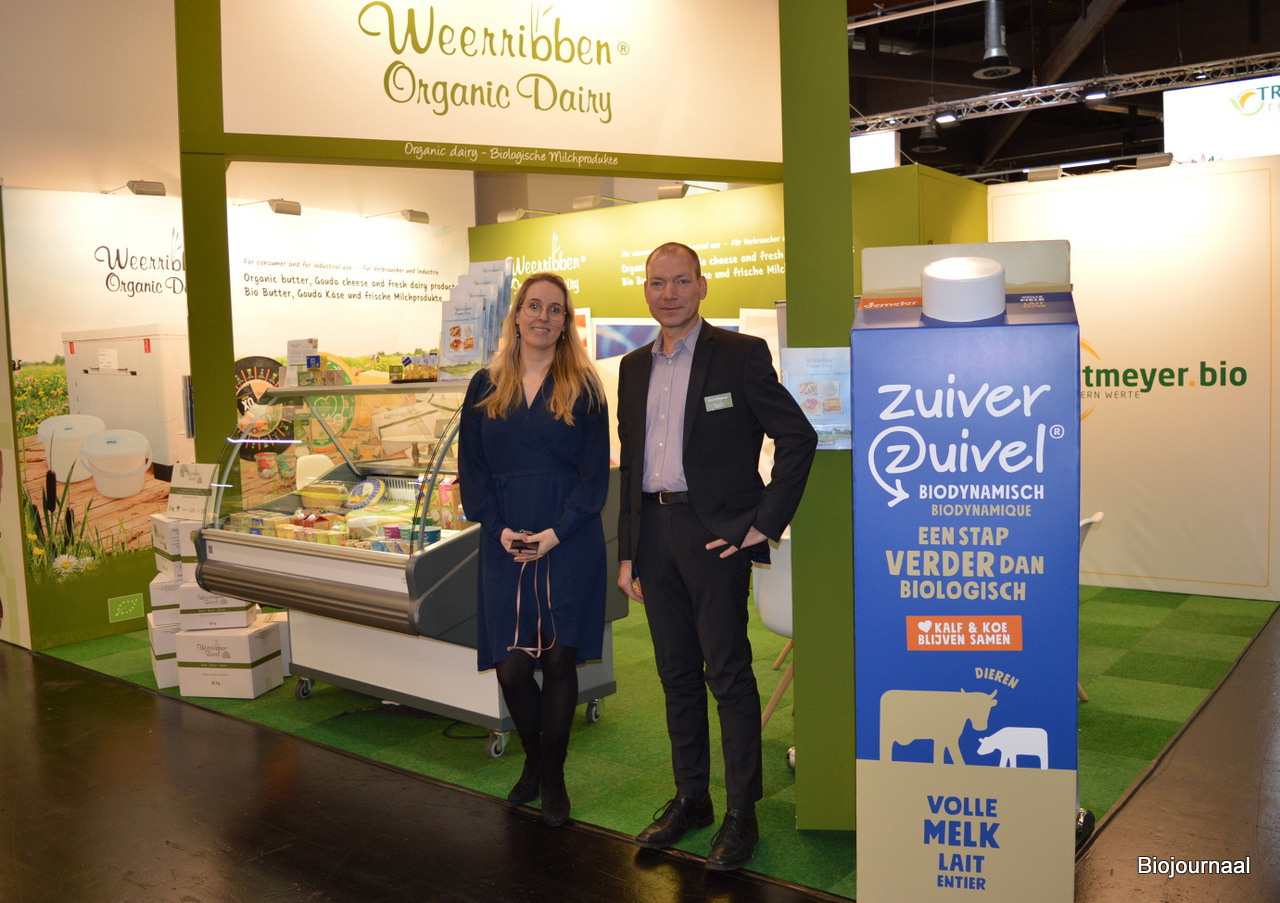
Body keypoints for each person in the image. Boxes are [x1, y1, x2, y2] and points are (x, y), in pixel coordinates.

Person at [616, 242, 817, 870]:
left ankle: (740, 813)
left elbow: (798, 436)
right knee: (675, 674)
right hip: (653, 534)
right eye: (658, 283)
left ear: (702, 287)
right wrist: (627, 552)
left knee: (728, 676)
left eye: (681, 281)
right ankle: (692, 800)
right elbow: (630, 467)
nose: (669, 294)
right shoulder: (632, 367)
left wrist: (762, 524)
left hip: (715, 537)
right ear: (645, 290)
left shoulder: (740, 354)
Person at [458, 272, 609, 827]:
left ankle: (553, 777)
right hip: (504, 540)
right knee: (512, 667)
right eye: (534, 306)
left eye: (555, 309)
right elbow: (471, 467)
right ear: (517, 314)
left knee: (558, 659)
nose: (543, 317)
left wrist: (556, 532)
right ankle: (536, 759)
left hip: (567, 539)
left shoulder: (586, 388)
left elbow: (594, 477)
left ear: (566, 322)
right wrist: (496, 527)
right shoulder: (484, 385)